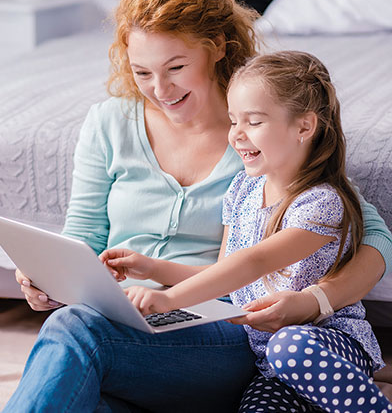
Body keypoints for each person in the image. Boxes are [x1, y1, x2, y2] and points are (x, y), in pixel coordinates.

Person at [6, 0, 392, 411]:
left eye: (176, 67)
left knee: (76, 330)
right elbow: (82, 236)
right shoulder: (108, 123)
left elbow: (367, 232)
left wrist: (314, 301)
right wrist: (49, 279)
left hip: (217, 329)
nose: (160, 89)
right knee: (84, 379)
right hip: (125, 321)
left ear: (217, 48)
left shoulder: (265, 138)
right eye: (141, 72)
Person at [101, 50, 390, 413]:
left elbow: (254, 262)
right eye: (233, 120)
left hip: (323, 343)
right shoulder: (242, 190)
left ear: (304, 126)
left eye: (252, 122)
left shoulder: (321, 203)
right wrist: (153, 268)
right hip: (266, 360)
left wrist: (171, 301)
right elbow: (227, 274)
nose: (236, 135)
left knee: (291, 347)